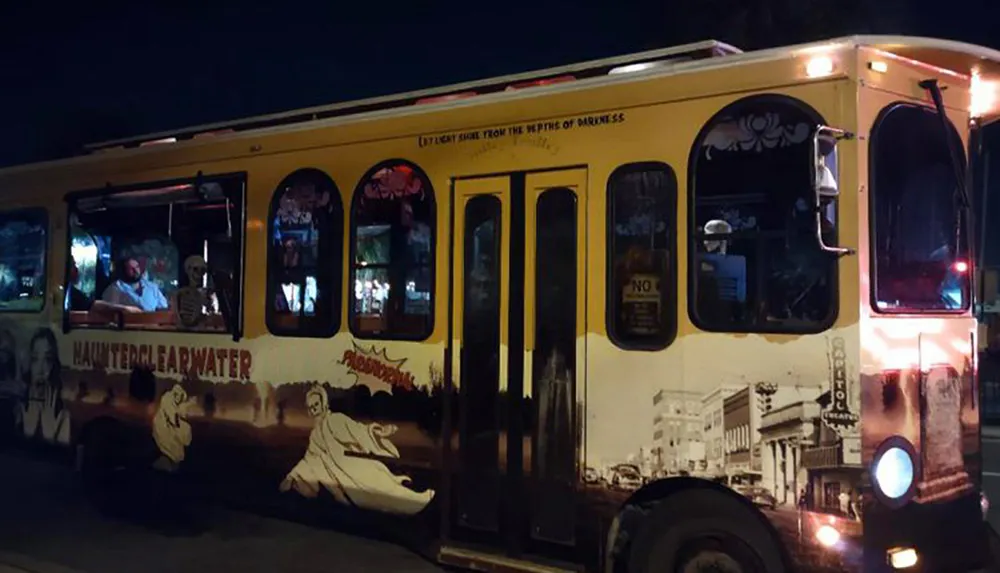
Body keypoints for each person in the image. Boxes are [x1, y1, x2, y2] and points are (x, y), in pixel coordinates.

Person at [101, 257, 169, 312]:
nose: (136, 271)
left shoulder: (152, 287)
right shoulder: (116, 288)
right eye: (131, 269)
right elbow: (107, 309)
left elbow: (164, 307)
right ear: (124, 271)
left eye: (137, 267)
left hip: (153, 325)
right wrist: (125, 309)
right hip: (129, 326)